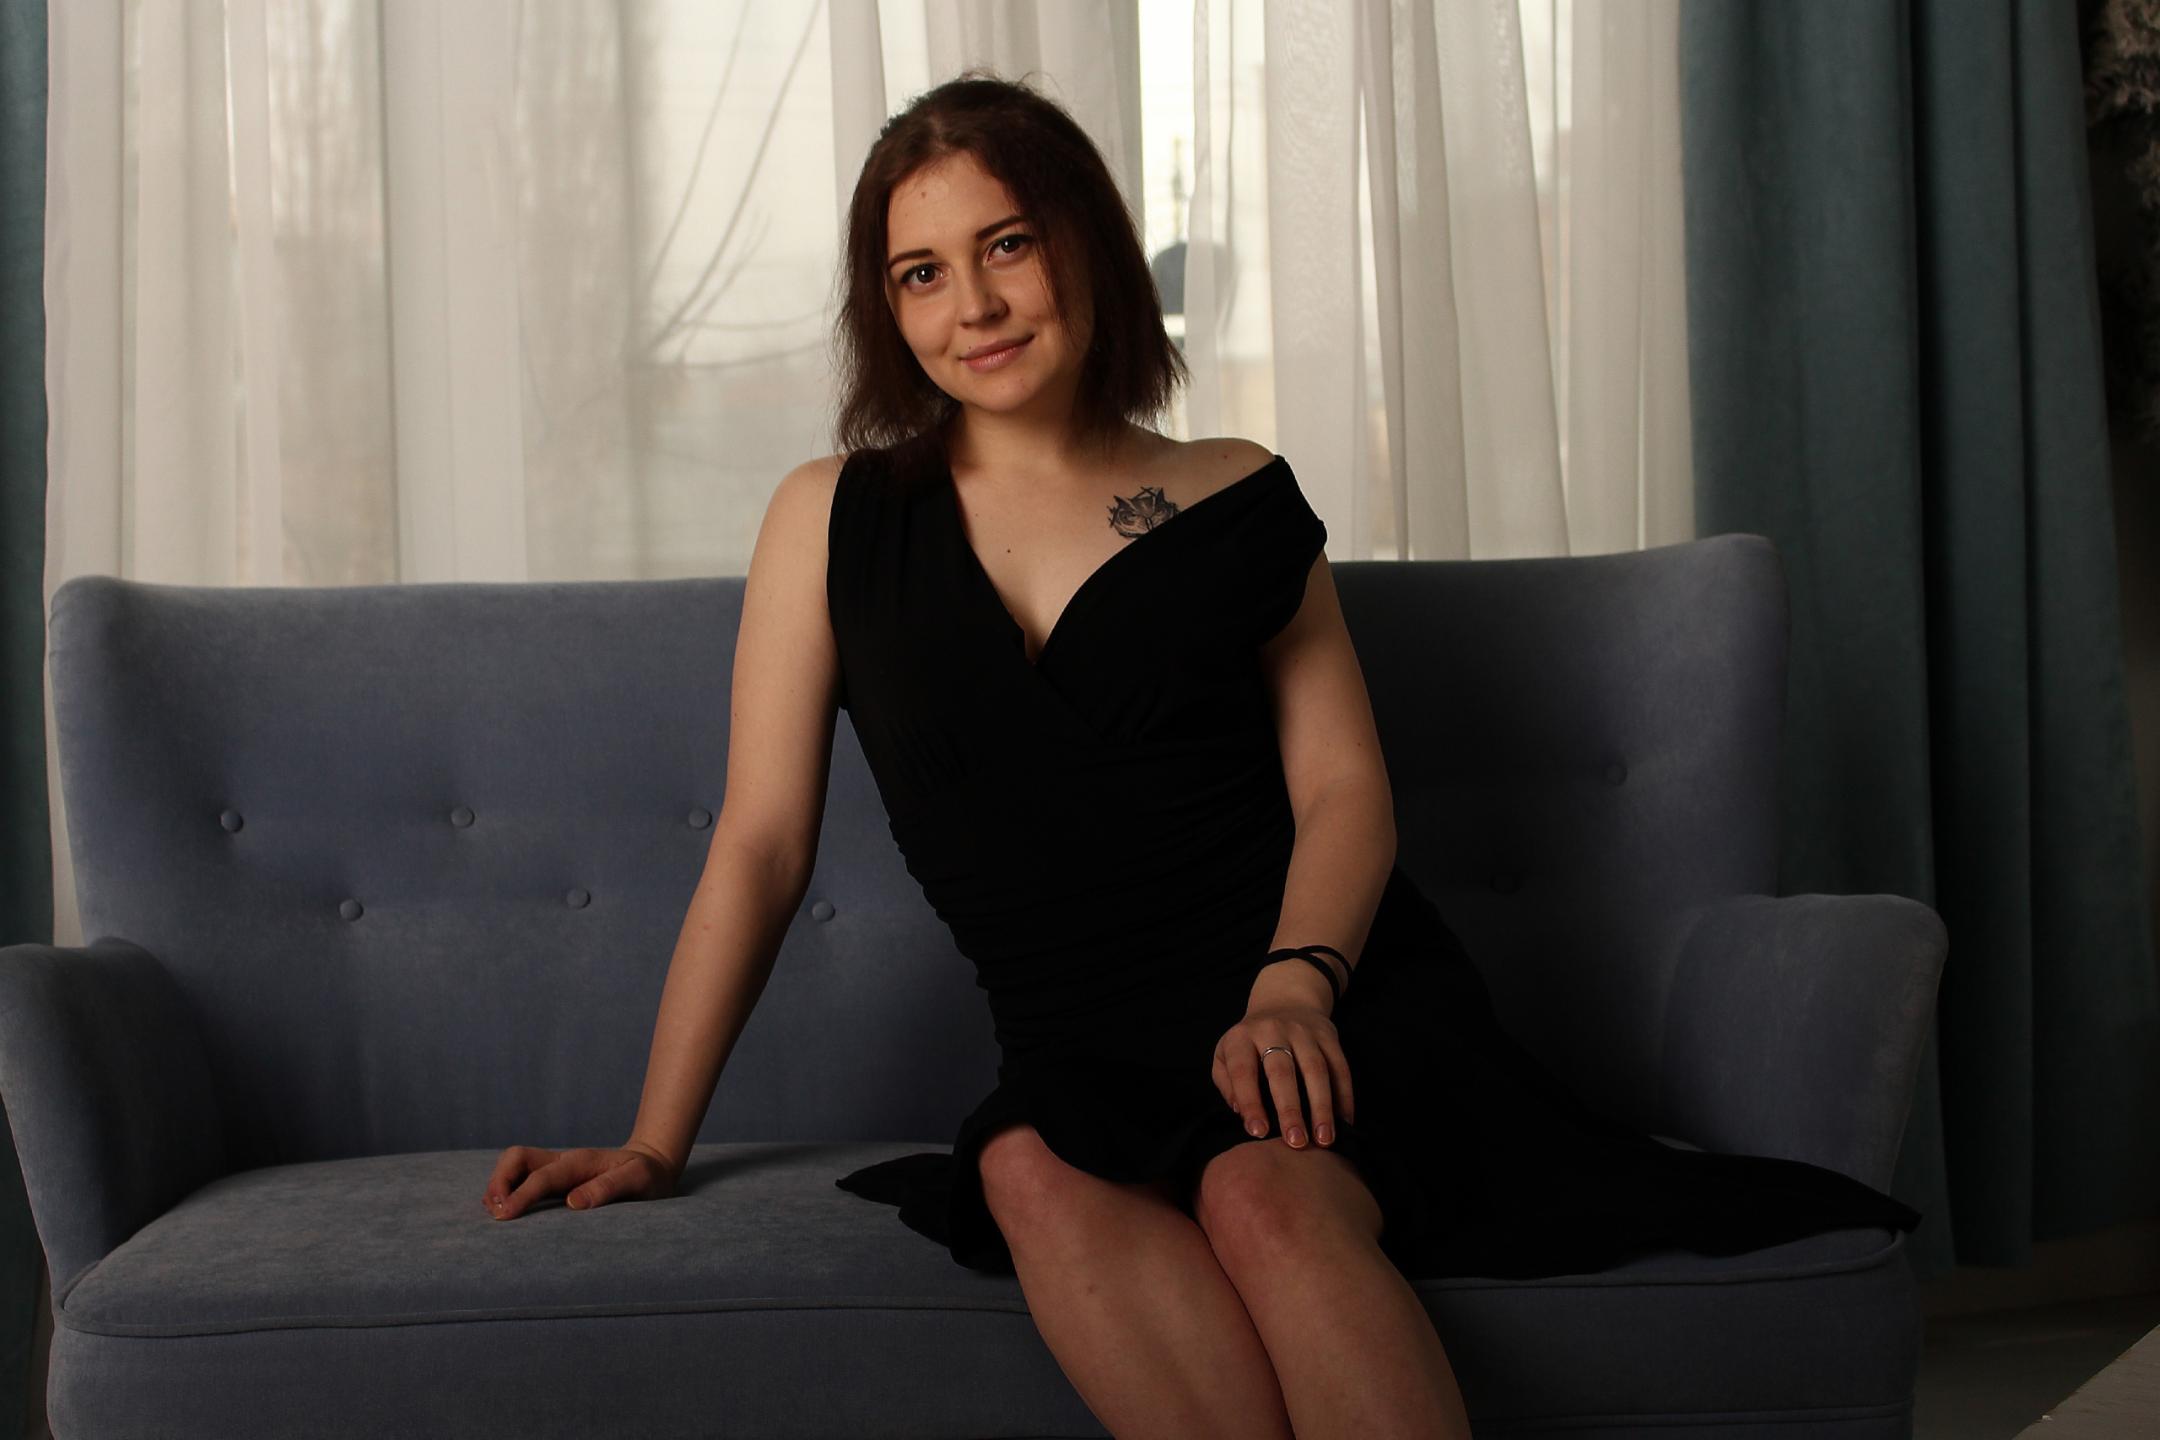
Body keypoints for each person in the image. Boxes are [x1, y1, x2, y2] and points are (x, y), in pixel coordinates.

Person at [481, 69, 1922, 1440]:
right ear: (888, 307)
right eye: (922, 273)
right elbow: (761, 845)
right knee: (1027, 1167)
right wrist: (655, 1140)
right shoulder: (829, 518)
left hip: (1322, 1005)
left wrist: (1295, 988)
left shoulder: (1233, 493)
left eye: (1007, 245)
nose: (973, 304)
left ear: (1087, 247)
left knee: (1262, 1193)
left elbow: (1344, 789)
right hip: (1080, 1049)